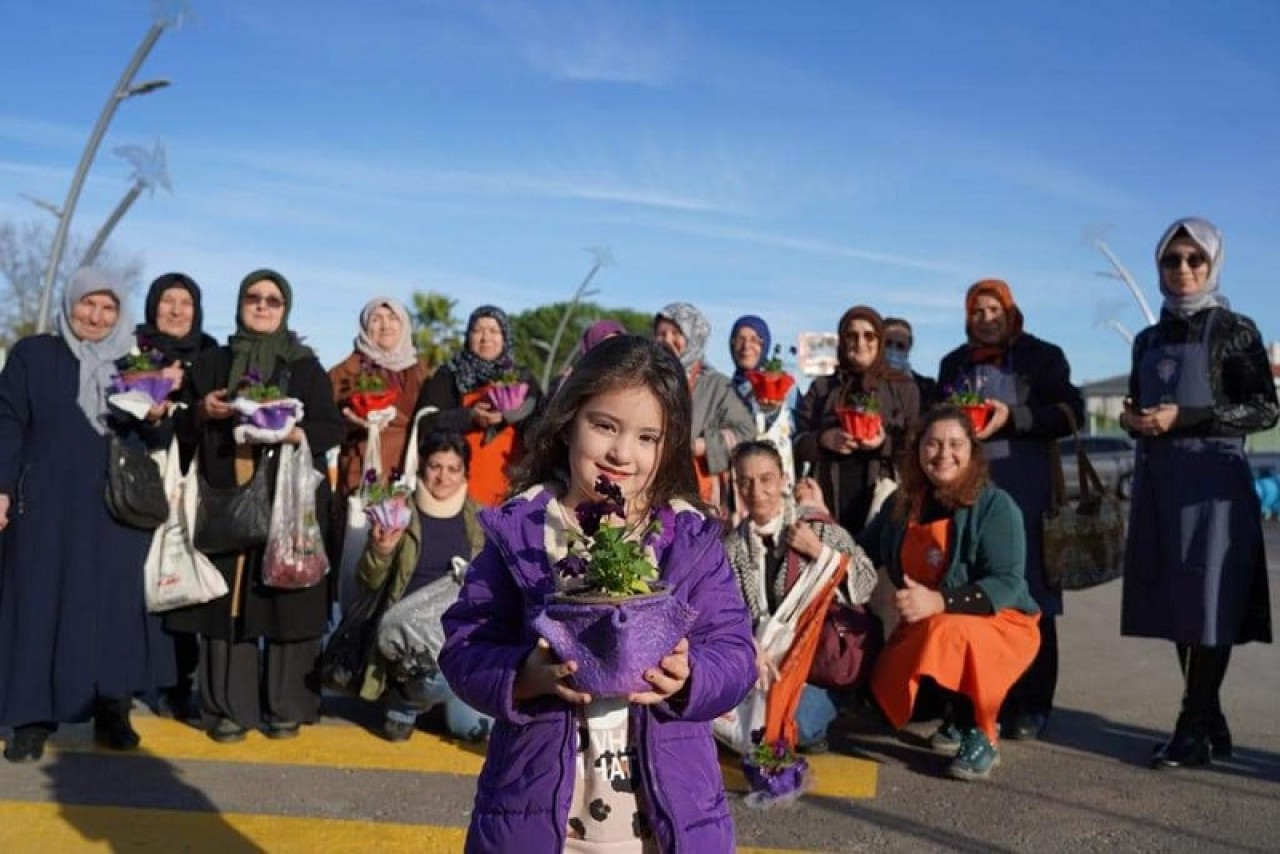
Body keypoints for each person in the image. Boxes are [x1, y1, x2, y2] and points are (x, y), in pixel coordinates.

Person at [438, 334, 757, 853]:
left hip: (664, 827)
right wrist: (520, 677)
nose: (621, 453)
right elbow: (464, 644)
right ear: (568, 422)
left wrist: (692, 676)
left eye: (647, 437)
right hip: (545, 826)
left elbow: (736, 651)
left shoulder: (689, 538)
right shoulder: (522, 531)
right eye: (605, 425)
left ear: (669, 445)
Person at [1120, 217, 1277, 769]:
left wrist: (1188, 416)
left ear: (1213, 265)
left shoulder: (1236, 329)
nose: (1183, 270)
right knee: (1176, 600)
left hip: (1214, 482)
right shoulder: (1148, 337)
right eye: (1171, 260)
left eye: (1195, 260)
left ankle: (1193, 724)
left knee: (1211, 601)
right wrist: (1132, 420)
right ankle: (1209, 715)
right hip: (1160, 479)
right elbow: (1144, 401)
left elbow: (1264, 407)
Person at [0, 268, 176, 762]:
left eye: (108, 308)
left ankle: (112, 710)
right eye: (88, 305)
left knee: (112, 608)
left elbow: (155, 441)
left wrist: (158, 412)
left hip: (114, 509)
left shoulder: (136, 363)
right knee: (37, 605)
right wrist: (1, 488)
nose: (96, 317)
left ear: (121, 314)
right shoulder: (34, 355)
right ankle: (31, 719)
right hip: (46, 506)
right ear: (71, 304)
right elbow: (7, 422)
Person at [167, 269, 344, 743]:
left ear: (286, 308)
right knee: (227, 602)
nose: (262, 306)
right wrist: (204, 411)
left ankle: (286, 704)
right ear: (240, 303)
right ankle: (227, 708)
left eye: (273, 300)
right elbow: (180, 427)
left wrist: (293, 433)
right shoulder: (212, 362)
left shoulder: (305, 367)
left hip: (290, 500)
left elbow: (332, 428)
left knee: (289, 598)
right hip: (225, 495)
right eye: (253, 298)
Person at [936, 280, 1082, 740]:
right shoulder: (954, 364)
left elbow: (1071, 412)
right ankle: (977, 703)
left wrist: (1016, 417)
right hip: (970, 494)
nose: (985, 318)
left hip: (1029, 494)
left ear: (1010, 311)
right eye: (976, 311)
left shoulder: (1044, 357)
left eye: (993, 309)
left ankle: (1033, 703)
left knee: (1032, 599)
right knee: (969, 596)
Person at [861, 407, 1041, 781]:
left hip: (1000, 623)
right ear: (918, 450)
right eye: (933, 444)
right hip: (927, 621)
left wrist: (939, 601)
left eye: (955, 444)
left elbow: (1008, 582)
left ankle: (981, 733)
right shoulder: (902, 504)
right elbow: (864, 551)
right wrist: (819, 533)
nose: (944, 454)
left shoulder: (996, 506)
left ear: (972, 452)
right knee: (881, 693)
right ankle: (953, 716)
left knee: (949, 630)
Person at [724, 440, 878, 752]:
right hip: (761, 664)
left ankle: (825, 708)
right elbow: (725, 610)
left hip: (814, 664)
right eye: (746, 481)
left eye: (766, 479)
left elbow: (865, 582)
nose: (757, 491)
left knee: (794, 728)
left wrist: (820, 553)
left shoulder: (817, 529)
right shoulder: (732, 547)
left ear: (783, 480)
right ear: (736, 486)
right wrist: (749, 645)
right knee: (738, 723)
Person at [356, 431, 491, 743]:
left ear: (465, 474)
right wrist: (381, 551)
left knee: (473, 731)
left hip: (457, 630)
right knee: (441, 675)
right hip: (407, 634)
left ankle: (430, 701)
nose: (443, 477)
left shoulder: (480, 519)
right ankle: (404, 702)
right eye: (435, 466)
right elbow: (367, 581)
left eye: (453, 468)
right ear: (421, 469)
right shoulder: (398, 513)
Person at [134, 272, 220, 722]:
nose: (175, 310)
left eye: (185, 302)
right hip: (136, 480)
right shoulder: (133, 351)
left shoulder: (211, 354)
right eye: (167, 300)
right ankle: (129, 674)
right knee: (135, 579)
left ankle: (179, 681)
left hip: (192, 482)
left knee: (182, 579)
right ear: (152, 305)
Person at [793, 306, 920, 535]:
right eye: (852, 335)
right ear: (842, 341)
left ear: (879, 340)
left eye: (868, 335)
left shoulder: (903, 388)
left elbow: (915, 447)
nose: (860, 342)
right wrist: (823, 440)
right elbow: (797, 443)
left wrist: (883, 443)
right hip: (829, 499)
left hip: (881, 501)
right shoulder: (823, 388)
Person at [413, 306, 541, 507]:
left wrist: (511, 415)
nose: (485, 337)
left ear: (505, 337)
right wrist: (469, 417)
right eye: (478, 330)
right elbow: (427, 422)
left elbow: (539, 424)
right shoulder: (449, 375)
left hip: (509, 486)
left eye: (494, 331)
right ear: (468, 335)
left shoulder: (523, 378)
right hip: (454, 488)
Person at [653, 302, 755, 515]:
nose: (667, 340)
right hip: (653, 483)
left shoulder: (717, 385)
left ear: (692, 338)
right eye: (661, 333)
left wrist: (703, 445)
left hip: (701, 488)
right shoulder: (647, 380)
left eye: (676, 333)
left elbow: (746, 432)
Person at [330, 297, 430, 498]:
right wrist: (351, 422)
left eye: (393, 318)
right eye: (376, 319)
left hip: (411, 466)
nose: (385, 326)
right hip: (363, 466)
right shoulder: (345, 371)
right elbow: (325, 420)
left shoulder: (422, 369)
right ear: (365, 326)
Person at [728, 315, 800, 491]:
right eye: (740, 339)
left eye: (755, 340)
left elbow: (798, 429)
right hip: (741, 481)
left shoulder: (783, 383)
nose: (746, 346)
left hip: (777, 482)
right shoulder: (725, 388)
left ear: (765, 344)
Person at [882, 317, 938, 407]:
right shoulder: (865, 382)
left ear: (909, 348)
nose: (893, 350)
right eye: (888, 343)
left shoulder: (926, 387)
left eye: (900, 346)